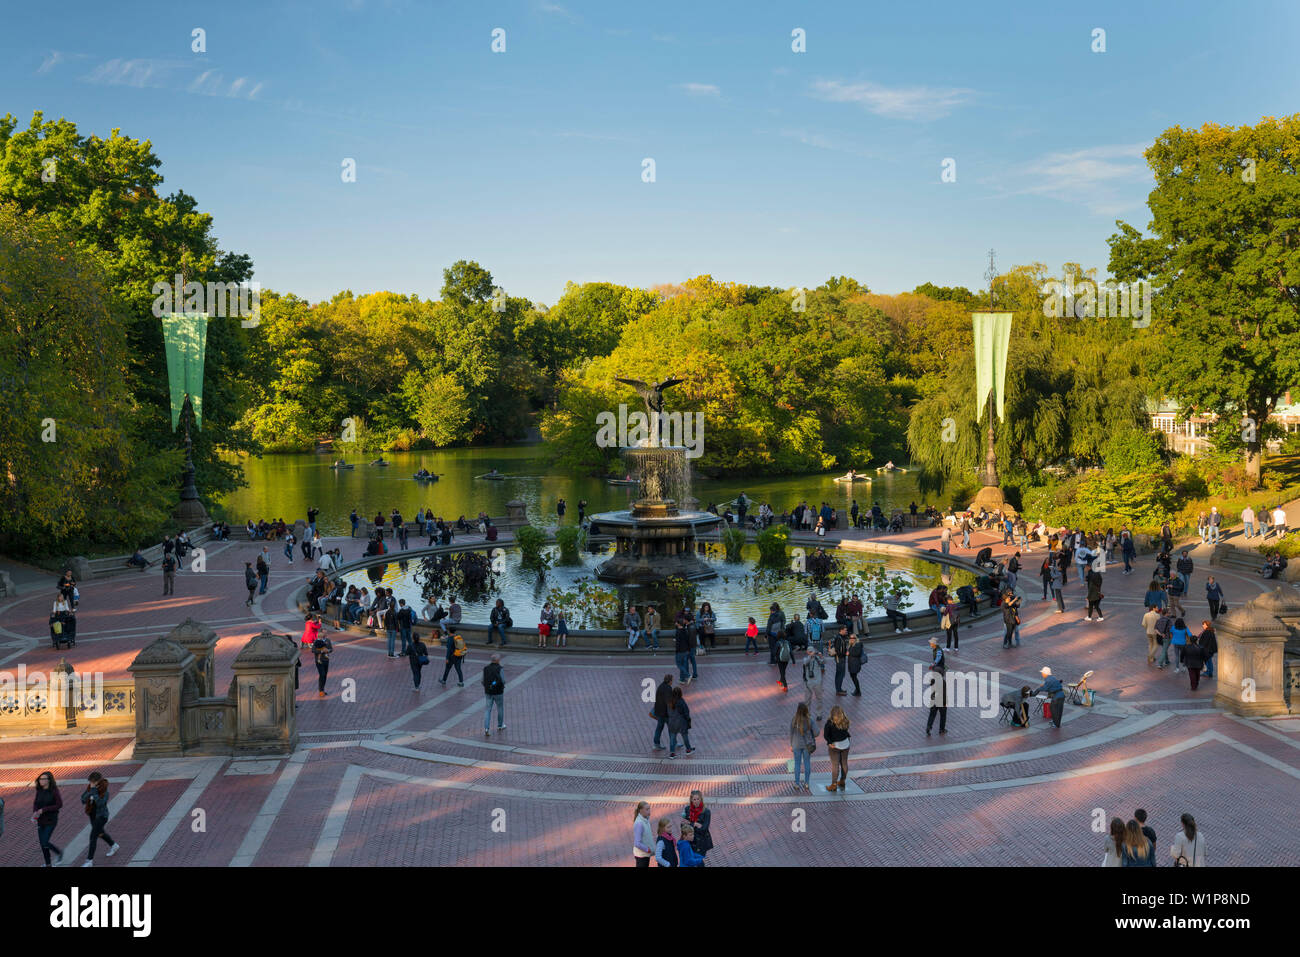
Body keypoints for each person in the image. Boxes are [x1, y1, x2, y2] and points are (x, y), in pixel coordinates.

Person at [79, 772, 119, 866]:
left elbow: (101, 803)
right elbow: (82, 800)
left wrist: (94, 792)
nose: (90, 784)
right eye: (90, 782)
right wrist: (89, 792)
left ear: (98, 781)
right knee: (100, 833)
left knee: (93, 836)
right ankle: (114, 845)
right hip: (92, 815)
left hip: (101, 816)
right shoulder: (90, 788)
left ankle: (89, 861)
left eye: (92, 782)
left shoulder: (105, 790)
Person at [32, 771, 64, 867]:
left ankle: (59, 853)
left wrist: (44, 810)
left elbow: (59, 804)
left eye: (43, 779)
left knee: (45, 841)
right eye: (40, 779)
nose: (41, 781)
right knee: (43, 844)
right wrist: (35, 812)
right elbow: (35, 803)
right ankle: (48, 864)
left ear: (49, 780)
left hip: (51, 820)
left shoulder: (54, 791)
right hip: (40, 820)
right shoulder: (39, 790)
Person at [790, 701, 817, 792]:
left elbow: (791, 733)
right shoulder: (810, 720)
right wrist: (811, 733)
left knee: (797, 764)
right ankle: (806, 783)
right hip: (807, 745)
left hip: (796, 744)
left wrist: (791, 744)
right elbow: (817, 732)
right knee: (807, 763)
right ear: (806, 710)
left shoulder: (794, 719)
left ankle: (797, 783)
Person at [823, 706, 850, 792]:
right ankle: (842, 780)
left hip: (835, 746)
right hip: (845, 744)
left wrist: (829, 742)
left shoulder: (829, 723)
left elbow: (826, 735)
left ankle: (834, 784)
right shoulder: (845, 720)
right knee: (844, 763)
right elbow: (846, 730)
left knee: (835, 765)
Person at [681, 791, 712, 860]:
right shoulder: (687, 809)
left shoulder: (706, 812)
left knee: (699, 861)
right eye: (694, 799)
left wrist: (690, 824)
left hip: (701, 841)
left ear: (701, 799)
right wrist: (695, 824)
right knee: (691, 860)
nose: (696, 801)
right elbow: (683, 826)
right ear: (691, 800)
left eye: (698, 799)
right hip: (690, 840)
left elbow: (704, 829)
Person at [925, 638, 948, 735]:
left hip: (933, 700)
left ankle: (928, 726)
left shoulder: (932, 680)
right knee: (943, 714)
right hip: (941, 701)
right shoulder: (943, 682)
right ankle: (942, 729)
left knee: (932, 713)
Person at [482, 654, 505, 736]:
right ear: (498, 660)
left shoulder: (486, 668)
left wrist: (488, 686)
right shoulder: (500, 669)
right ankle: (500, 725)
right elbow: (503, 680)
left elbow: (482, 681)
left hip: (488, 692)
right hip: (498, 692)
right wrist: (495, 684)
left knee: (488, 710)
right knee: (500, 708)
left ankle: (486, 728)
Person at [801, 647, 826, 722]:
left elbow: (824, 662)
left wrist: (821, 656)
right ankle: (807, 714)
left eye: (812, 651)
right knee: (807, 700)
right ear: (807, 652)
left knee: (819, 699)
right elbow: (805, 662)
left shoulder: (817, 659)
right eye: (810, 651)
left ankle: (819, 714)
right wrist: (810, 656)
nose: (811, 652)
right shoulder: (806, 659)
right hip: (808, 683)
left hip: (817, 682)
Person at [667, 686, 693, 757]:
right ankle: (688, 749)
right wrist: (688, 719)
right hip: (681, 722)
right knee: (685, 736)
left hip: (672, 722)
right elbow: (686, 712)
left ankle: (672, 753)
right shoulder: (681, 701)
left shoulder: (669, 701)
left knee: (672, 737)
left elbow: (668, 712)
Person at [651, 674, 674, 750]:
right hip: (666, 713)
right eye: (672, 680)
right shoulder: (668, 688)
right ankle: (674, 743)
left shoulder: (661, 686)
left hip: (659, 712)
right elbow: (668, 702)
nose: (672, 682)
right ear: (670, 681)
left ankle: (656, 744)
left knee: (659, 728)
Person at [632, 801, 654, 867]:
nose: (649, 811)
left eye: (649, 808)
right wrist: (647, 849)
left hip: (645, 854)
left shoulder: (646, 820)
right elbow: (637, 843)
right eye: (647, 809)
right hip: (641, 855)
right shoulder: (639, 824)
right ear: (641, 811)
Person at [312, 631, 333, 697]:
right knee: (322, 674)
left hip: (326, 660)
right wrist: (321, 651)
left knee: (325, 675)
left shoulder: (328, 640)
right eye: (323, 633)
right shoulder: (316, 641)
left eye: (325, 633)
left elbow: (331, 649)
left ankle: (322, 689)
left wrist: (328, 651)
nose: (324, 634)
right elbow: (313, 650)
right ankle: (321, 690)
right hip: (319, 661)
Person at [831, 626, 849, 696]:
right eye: (845, 630)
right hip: (840, 659)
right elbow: (838, 651)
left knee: (839, 674)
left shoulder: (840, 637)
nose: (846, 631)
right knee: (840, 674)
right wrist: (845, 653)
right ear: (840, 630)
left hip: (840, 658)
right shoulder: (839, 638)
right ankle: (838, 690)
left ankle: (839, 689)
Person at [774, 628, 792, 692]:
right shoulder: (788, 642)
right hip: (787, 659)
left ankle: (785, 686)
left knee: (782, 673)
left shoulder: (778, 643)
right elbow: (791, 652)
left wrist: (775, 659)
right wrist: (793, 660)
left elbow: (775, 652)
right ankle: (780, 681)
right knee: (783, 671)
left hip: (780, 659)